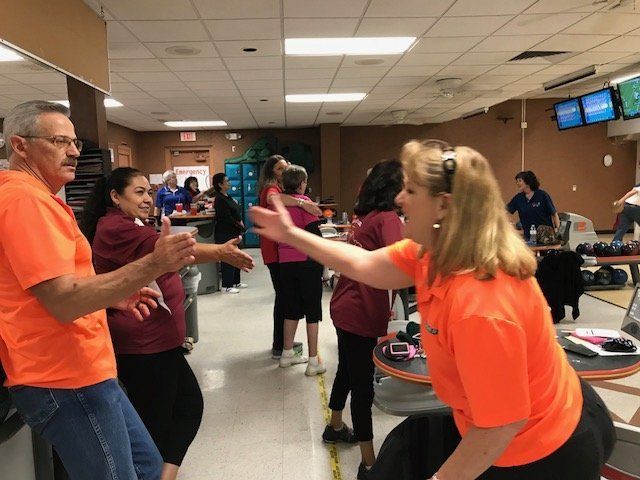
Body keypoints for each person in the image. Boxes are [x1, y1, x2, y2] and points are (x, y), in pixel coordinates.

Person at [251, 139, 615, 480]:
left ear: (443, 205)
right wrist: (292, 234)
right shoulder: (434, 253)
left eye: (410, 191)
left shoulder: (481, 307)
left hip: (544, 449)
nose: (399, 199)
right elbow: (366, 264)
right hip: (507, 427)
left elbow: (499, 426)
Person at [0, 100, 198, 479]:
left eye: (73, 142)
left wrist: (112, 295)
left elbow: (50, 287)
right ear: (20, 145)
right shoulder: (25, 201)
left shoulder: (38, 199)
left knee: (146, 466)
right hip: (64, 379)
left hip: (85, 371)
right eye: (59, 141)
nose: (74, 151)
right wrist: (154, 263)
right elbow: (62, 300)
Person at [81, 167, 254, 480]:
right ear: (115, 196)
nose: (147, 199)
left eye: (149, 192)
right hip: (143, 344)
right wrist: (220, 251)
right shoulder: (116, 227)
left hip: (157, 341)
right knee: (164, 420)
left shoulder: (128, 223)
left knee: (184, 407)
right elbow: (173, 252)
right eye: (139, 192)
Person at [321, 159, 404, 474]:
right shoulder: (388, 219)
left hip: (345, 305)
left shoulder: (364, 217)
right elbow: (403, 263)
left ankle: (335, 425)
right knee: (362, 385)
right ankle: (369, 463)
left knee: (347, 368)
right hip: (361, 311)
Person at [257, 154, 322, 359]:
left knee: (288, 302)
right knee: (288, 302)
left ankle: (285, 347)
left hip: (283, 255)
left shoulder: (281, 193)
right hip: (281, 254)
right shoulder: (272, 189)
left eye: (286, 168)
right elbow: (274, 199)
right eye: (279, 168)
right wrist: (303, 202)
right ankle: (282, 346)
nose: (284, 171)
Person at [277, 165, 325, 375]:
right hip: (307, 262)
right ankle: (313, 362)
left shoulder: (279, 203)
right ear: (301, 183)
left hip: (285, 262)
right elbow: (315, 237)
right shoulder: (305, 203)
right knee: (312, 312)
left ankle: (286, 354)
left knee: (291, 309)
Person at [211, 172, 247, 294]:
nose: (229, 183)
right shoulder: (219, 199)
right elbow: (226, 217)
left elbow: (236, 211)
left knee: (237, 256)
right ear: (220, 184)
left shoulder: (228, 196)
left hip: (234, 231)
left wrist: (240, 223)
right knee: (229, 258)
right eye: (226, 181)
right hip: (225, 232)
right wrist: (239, 225)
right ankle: (227, 285)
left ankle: (236, 281)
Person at [507, 170, 559, 242]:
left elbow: (554, 214)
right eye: (517, 181)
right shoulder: (518, 198)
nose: (517, 183)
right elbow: (506, 211)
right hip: (529, 238)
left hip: (545, 238)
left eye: (520, 181)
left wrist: (558, 231)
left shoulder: (542, 195)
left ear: (528, 181)